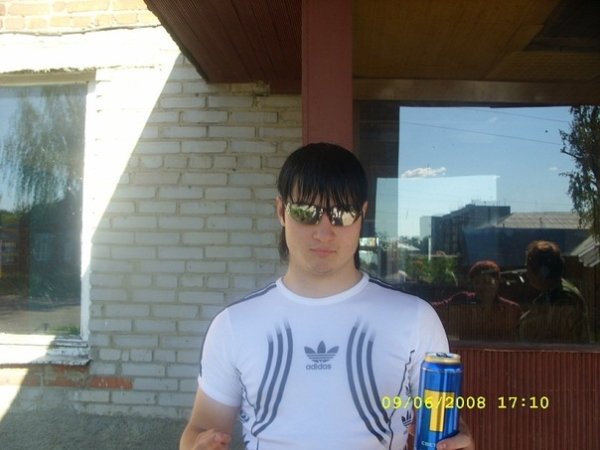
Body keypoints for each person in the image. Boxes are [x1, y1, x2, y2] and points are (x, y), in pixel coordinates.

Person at [180, 143, 475, 450]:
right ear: (281, 211)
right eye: (305, 212)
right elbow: (201, 427)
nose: (323, 232)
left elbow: (442, 425)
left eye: (341, 213)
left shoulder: (415, 319)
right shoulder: (234, 324)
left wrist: (458, 439)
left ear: (362, 215)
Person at [519, 240, 591, 343]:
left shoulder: (565, 299)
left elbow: (554, 340)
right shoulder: (548, 295)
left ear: (543, 272)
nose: (527, 274)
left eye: (528, 268)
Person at [432, 260, 522, 341]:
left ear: (497, 282)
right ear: (472, 284)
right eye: (477, 282)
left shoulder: (511, 309)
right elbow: (435, 308)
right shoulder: (462, 300)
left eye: (488, 282)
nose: (483, 287)